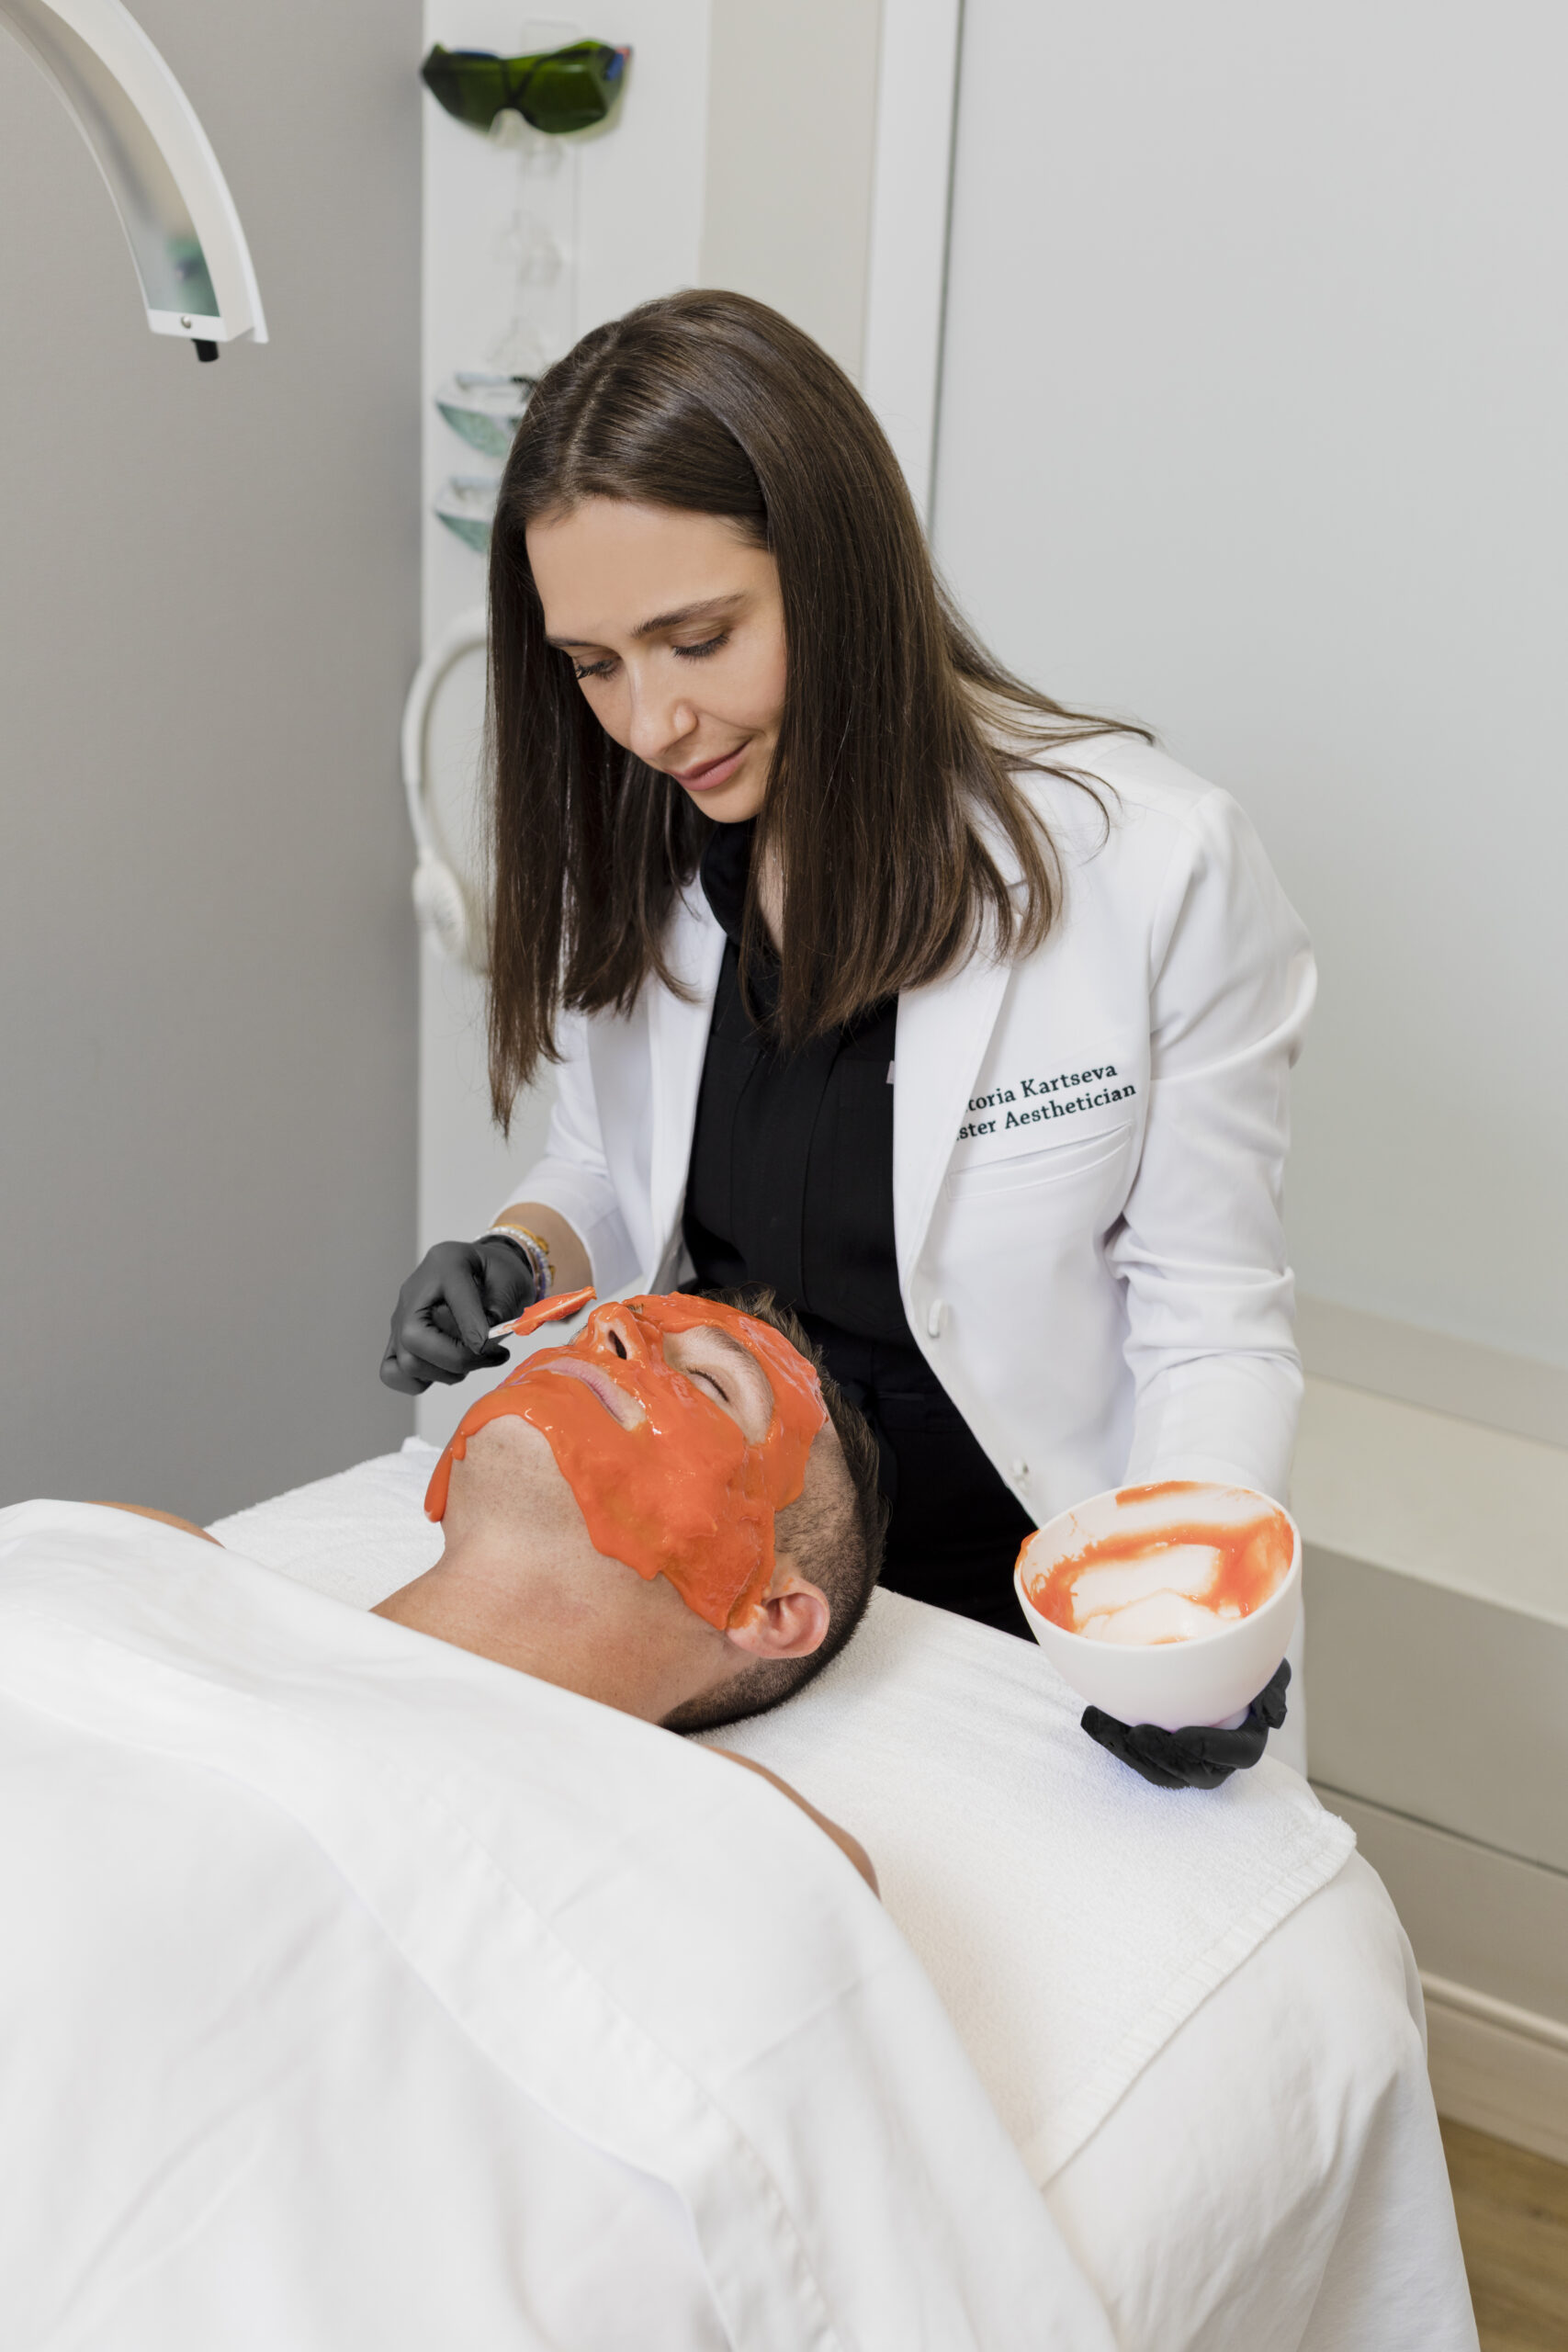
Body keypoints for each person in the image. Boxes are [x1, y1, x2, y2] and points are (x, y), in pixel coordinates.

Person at [382, 289, 1314, 1790]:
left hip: (1035, 1605)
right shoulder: (639, 850)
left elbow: (1207, 1313)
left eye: (696, 638)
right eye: (595, 664)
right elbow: (609, 1172)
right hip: (735, 1606)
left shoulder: (1152, 866)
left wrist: (1186, 1620)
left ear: (837, 569)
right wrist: (525, 1254)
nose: (651, 722)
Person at [121, 1287, 887, 1883]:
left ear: (769, 1610)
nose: (607, 1330)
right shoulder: (145, 1560)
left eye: (711, 1384)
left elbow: (805, 1876)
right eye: (603, 1329)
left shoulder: (734, 1846)